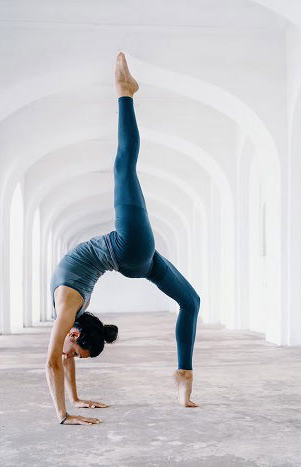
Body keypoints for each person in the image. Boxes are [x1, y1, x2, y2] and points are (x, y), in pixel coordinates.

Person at [45, 52, 201, 426]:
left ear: (75, 332)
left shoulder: (68, 307)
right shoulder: (72, 318)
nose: (71, 357)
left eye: (77, 354)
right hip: (132, 252)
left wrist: (66, 412)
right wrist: (75, 401)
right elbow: (64, 356)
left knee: (191, 301)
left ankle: (124, 93)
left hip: (132, 251)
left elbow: (52, 360)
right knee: (191, 302)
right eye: (79, 354)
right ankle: (124, 93)